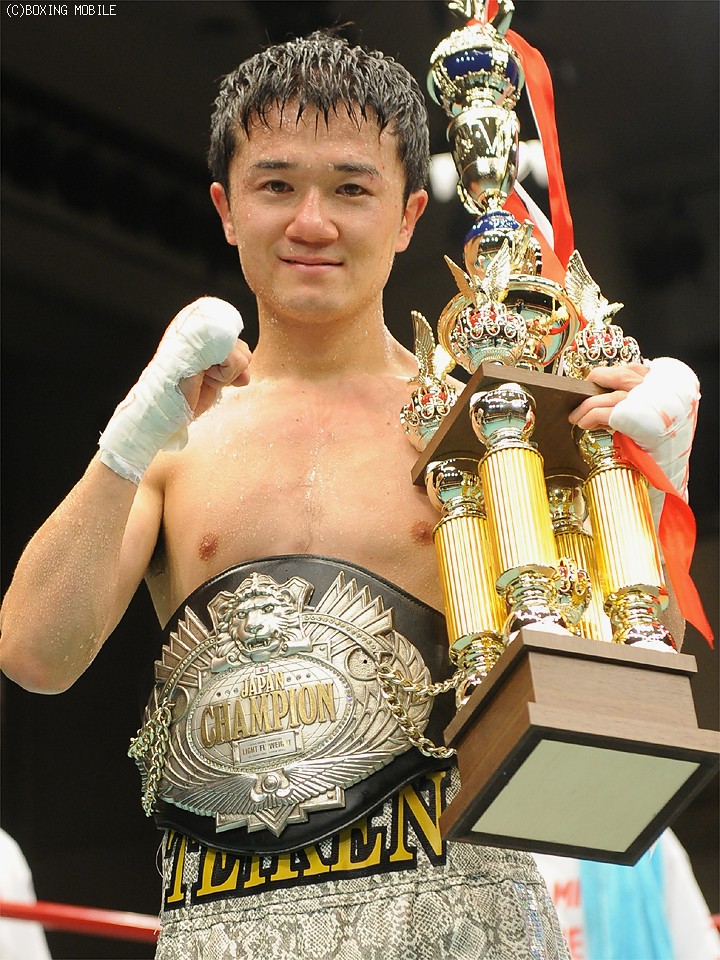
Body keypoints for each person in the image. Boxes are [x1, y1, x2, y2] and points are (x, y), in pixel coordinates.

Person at [0, 29, 700, 960]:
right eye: (276, 185)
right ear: (226, 208)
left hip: (459, 918)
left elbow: (625, 685)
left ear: (408, 215)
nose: (312, 222)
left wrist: (652, 489)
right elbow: (34, 654)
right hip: (224, 931)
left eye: (350, 189)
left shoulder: (484, 425)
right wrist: (124, 443)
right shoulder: (173, 440)